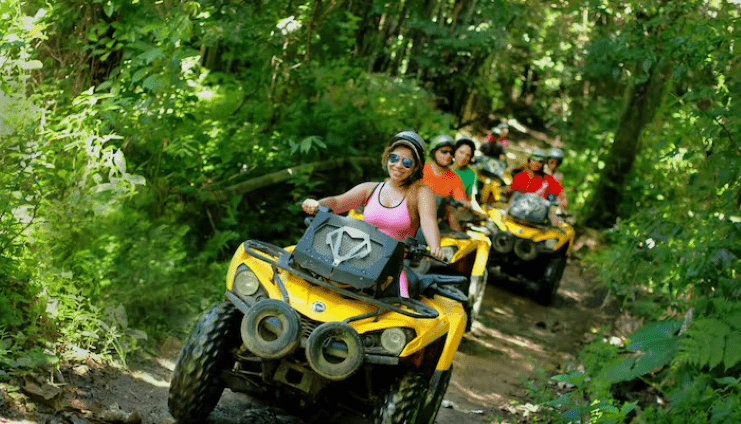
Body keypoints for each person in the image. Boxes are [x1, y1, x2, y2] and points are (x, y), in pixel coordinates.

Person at [301, 130, 444, 298]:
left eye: (406, 162)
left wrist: (435, 246)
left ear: (416, 166)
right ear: (387, 158)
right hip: (354, 259)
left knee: (401, 308)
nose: (398, 165)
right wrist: (317, 204)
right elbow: (338, 202)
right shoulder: (371, 188)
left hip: (390, 269)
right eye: (394, 158)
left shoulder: (421, 192)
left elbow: (428, 221)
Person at [508, 147, 567, 211]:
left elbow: (560, 193)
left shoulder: (550, 179)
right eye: (534, 160)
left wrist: (563, 200)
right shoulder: (522, 175)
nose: (536, 163)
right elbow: (512, 191)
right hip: (520, 207)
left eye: (540, 161)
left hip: (539, 210)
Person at [451, 137, 485, 215]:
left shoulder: (471, 174)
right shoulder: (444, 164)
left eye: (467, 155)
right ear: (455, 151)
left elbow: (471, 200)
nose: (463, 157)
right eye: (461, 152)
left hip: (456, 210)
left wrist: (481, 213)